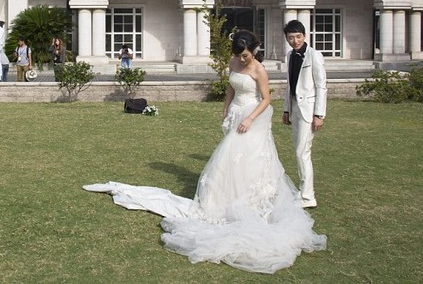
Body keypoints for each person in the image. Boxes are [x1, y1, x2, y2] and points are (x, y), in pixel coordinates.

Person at [85, 30, 326, 273]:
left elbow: (265, 99)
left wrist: (250, 119)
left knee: (247, 157)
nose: (242, 59)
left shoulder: (259, 69)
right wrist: (226, 109)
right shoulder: (233, 62)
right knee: (230, 159)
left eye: (245, 55)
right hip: (236, 112)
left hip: (252, 116)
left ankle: (251, 201)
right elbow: (231, 87)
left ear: (253, 51)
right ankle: (225, 197)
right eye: (238, 55)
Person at [283, 20, 327, 209]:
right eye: (291, 38)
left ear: (304, 36)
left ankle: (308, 196)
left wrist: (319, 114)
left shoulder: (314, 55)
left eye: (298, 37)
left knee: (303, 152)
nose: (295, 41)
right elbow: (289, 84)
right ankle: (303, 191)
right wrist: (286, 109)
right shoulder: (289, 55)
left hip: (309, 110)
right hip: (295, 108)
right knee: (299, 151)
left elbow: (321, 86)